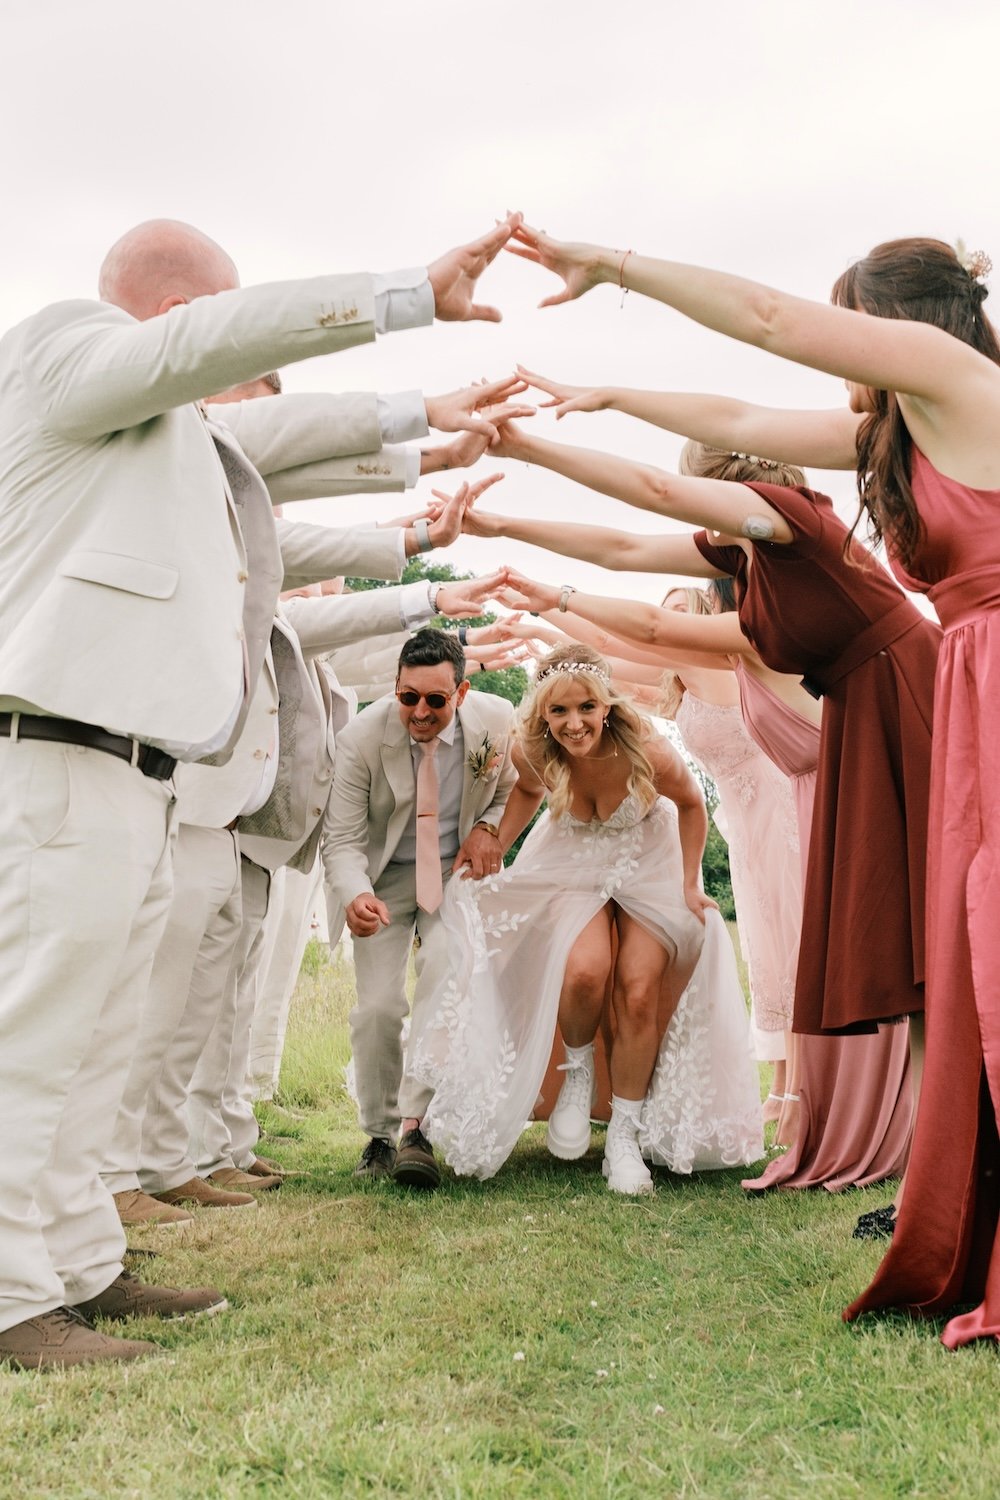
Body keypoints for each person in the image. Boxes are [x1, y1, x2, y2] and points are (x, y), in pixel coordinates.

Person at [0, 211, 520, 1370]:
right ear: (179, 318)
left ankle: (80, 1265)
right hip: (58, 756)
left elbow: (267, 441)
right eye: (214, 321)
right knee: (35, 1045)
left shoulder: (167, 440)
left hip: (139, 770)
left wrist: (417, 426)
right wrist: (403, 295)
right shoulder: (60, 347)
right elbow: (235, 390)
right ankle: (5, 1294)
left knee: (97, 1045)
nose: (225, 353)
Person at [407, 642, 763, 1193]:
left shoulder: (648, 747)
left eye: (586, 708)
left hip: (647, 861)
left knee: (639, 989)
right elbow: (526, 790)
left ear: (607, 705)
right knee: (584, 972)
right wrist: (496, 839)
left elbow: (692, 804)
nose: (574, 724)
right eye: (559, 712)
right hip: (572, 862)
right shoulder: (529, 748)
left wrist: (691, 884)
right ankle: (576, 1077)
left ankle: (624, 1135)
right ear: (542, 714)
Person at [323, 629, 518, 1189]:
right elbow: (341, 839)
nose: (420, 712)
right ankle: (379, 1135)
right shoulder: (362, 736)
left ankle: (418, 1127)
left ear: (461, 693)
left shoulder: (497, 722)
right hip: (382, 878)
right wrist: (355, 893)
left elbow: (511, 787)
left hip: (454, 875)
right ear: (396, 687)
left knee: (446, 971)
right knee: (378, 1009)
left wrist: (488, 828)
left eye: (436, 699)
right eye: (409, 697)